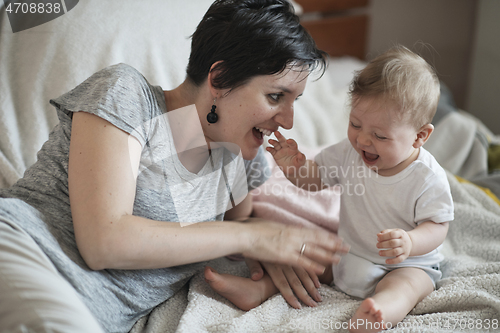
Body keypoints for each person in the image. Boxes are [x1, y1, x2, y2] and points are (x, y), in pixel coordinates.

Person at [0, 1, 351, 332]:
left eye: (294, 102)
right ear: (220, 79)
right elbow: (104, 241)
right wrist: (258, 238)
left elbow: (238, 228)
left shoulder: (241, 158)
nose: (288, 121)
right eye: (276, 97)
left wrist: (268, 252)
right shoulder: (127, 94)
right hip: (23, 250)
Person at [205, 45, 454, 332]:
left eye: (380, 136)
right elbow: (316, 179)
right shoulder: (349, 153)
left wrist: (410, 243)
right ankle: (259, 290)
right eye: (355, 124)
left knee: (407, 287)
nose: (363, 140)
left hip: (406, 263)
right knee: (305, 258)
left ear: (420, 136)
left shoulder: (426, 177)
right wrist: (295, 169)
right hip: (349, 254)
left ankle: (380, 311)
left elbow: (438, 226)